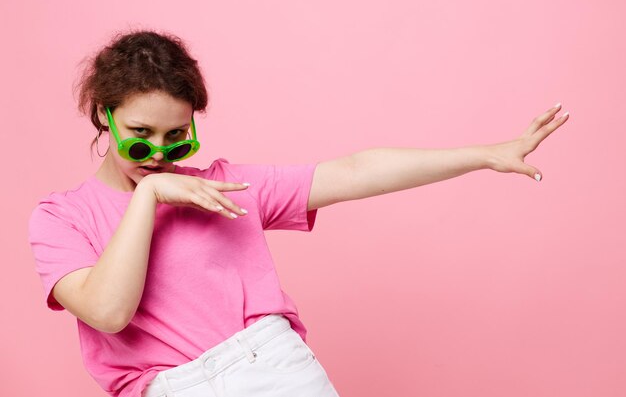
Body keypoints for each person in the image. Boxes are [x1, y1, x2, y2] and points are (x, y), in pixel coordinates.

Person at [27, 30, 569, 397]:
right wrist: (148, 197)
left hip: (273, 372)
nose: (160, 154)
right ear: (104, 114)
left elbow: (353, 172)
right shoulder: (61, 218)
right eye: (140, 137)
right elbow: (108, 312)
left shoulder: (226, 187)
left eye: (176, 139)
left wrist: (485, 155)